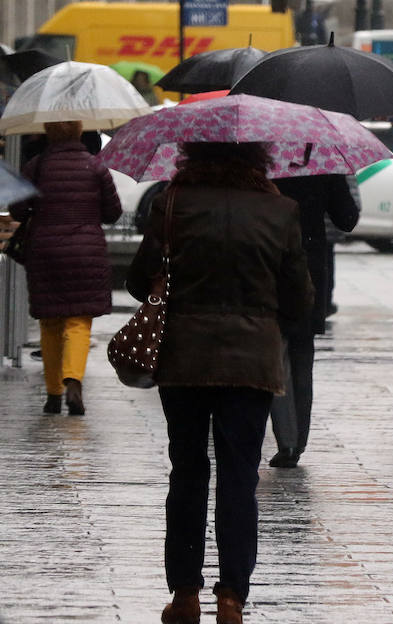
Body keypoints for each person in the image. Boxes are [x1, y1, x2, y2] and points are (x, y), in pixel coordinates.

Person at [126, 142, 313, 624]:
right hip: (251, 363)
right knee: (239, 477)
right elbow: (300, 299)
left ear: (193, 151)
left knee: (187, 471)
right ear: (258, 157)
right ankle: (231, 597)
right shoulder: (281, 209)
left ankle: (185, 594)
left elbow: (137, 280)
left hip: (184, 357)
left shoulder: (172, 202)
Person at [9, 120, 122, 416]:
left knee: (50, 321)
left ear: (48, 132)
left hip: (45, 251)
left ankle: (53, 393)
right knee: (78, 321)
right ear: (79, 132)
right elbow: (113, 213)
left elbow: (19, 210)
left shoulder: (37, 166)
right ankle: (73, 379)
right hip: (86, 252)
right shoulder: (95, 166)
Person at [268, 174, 360, 468]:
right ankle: (295, 441)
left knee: (276, 353)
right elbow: (347, 218)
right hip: (307, 267)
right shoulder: (323, 166)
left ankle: (288, 437)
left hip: (269, 262)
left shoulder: (261, 159)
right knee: (301, 354)